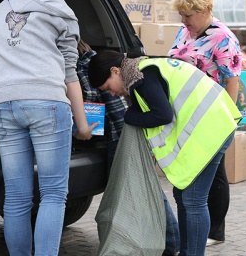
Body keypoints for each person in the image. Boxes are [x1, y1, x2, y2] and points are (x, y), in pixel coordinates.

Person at [0, 0, 96, 256]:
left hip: (5, 104)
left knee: (17, 197)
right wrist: (83, 123)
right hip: (47, 104)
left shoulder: (1, 10)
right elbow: (69, 73)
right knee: (52, 194)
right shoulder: (61, 11)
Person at [87, 51, 241, 256]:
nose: (112, 94)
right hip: (214, 123)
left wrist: (129, 115)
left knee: (194, 200)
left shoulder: (141, 77)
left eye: (108, 88)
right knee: (184, 195)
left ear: (115, 71)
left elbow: (162, 115)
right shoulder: (144, 68)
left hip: (212, 128)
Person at [77, 40, 180, 256]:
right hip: (132, 130)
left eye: (108, 88)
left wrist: (84, 131)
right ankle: (169, 242)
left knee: (136, 190)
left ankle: (167, 243)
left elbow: (92, 104)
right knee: (143, 188)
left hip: (121, 135)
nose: (113, 93)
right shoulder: (106, 63)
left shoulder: (87, 69)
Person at [168, 0, 241, 247]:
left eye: (188, 15)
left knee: (210, 179)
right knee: (207, 176)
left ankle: (214, 231)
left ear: (205, 10)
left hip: (210, 117)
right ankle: (202, 233)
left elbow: (231, 79)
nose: (184, 21)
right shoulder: (185, 31)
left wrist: (227, 119)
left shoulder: (223, 38)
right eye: (181, 15)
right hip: (186, 114)